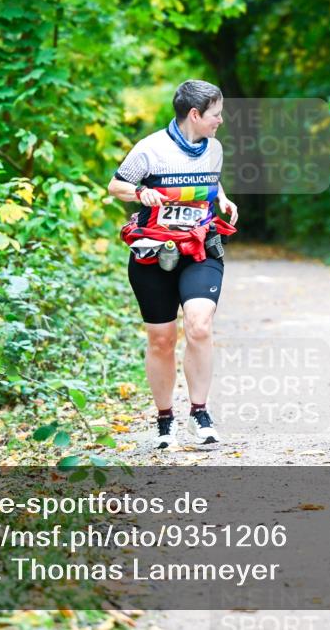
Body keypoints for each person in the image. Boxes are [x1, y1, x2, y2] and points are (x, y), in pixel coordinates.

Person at [108, 80, 238, 449]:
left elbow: (211, 183)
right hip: (153, 254)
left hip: (199, 250)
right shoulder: (149, 149)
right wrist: (139, 192)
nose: (221, 120)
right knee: (162, 340)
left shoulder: (214, 148)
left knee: (199, 325)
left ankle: (201, 411)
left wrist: (223, 199)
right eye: (216, 114)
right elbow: (115, 186)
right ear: (195, 115)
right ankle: (165, 419)